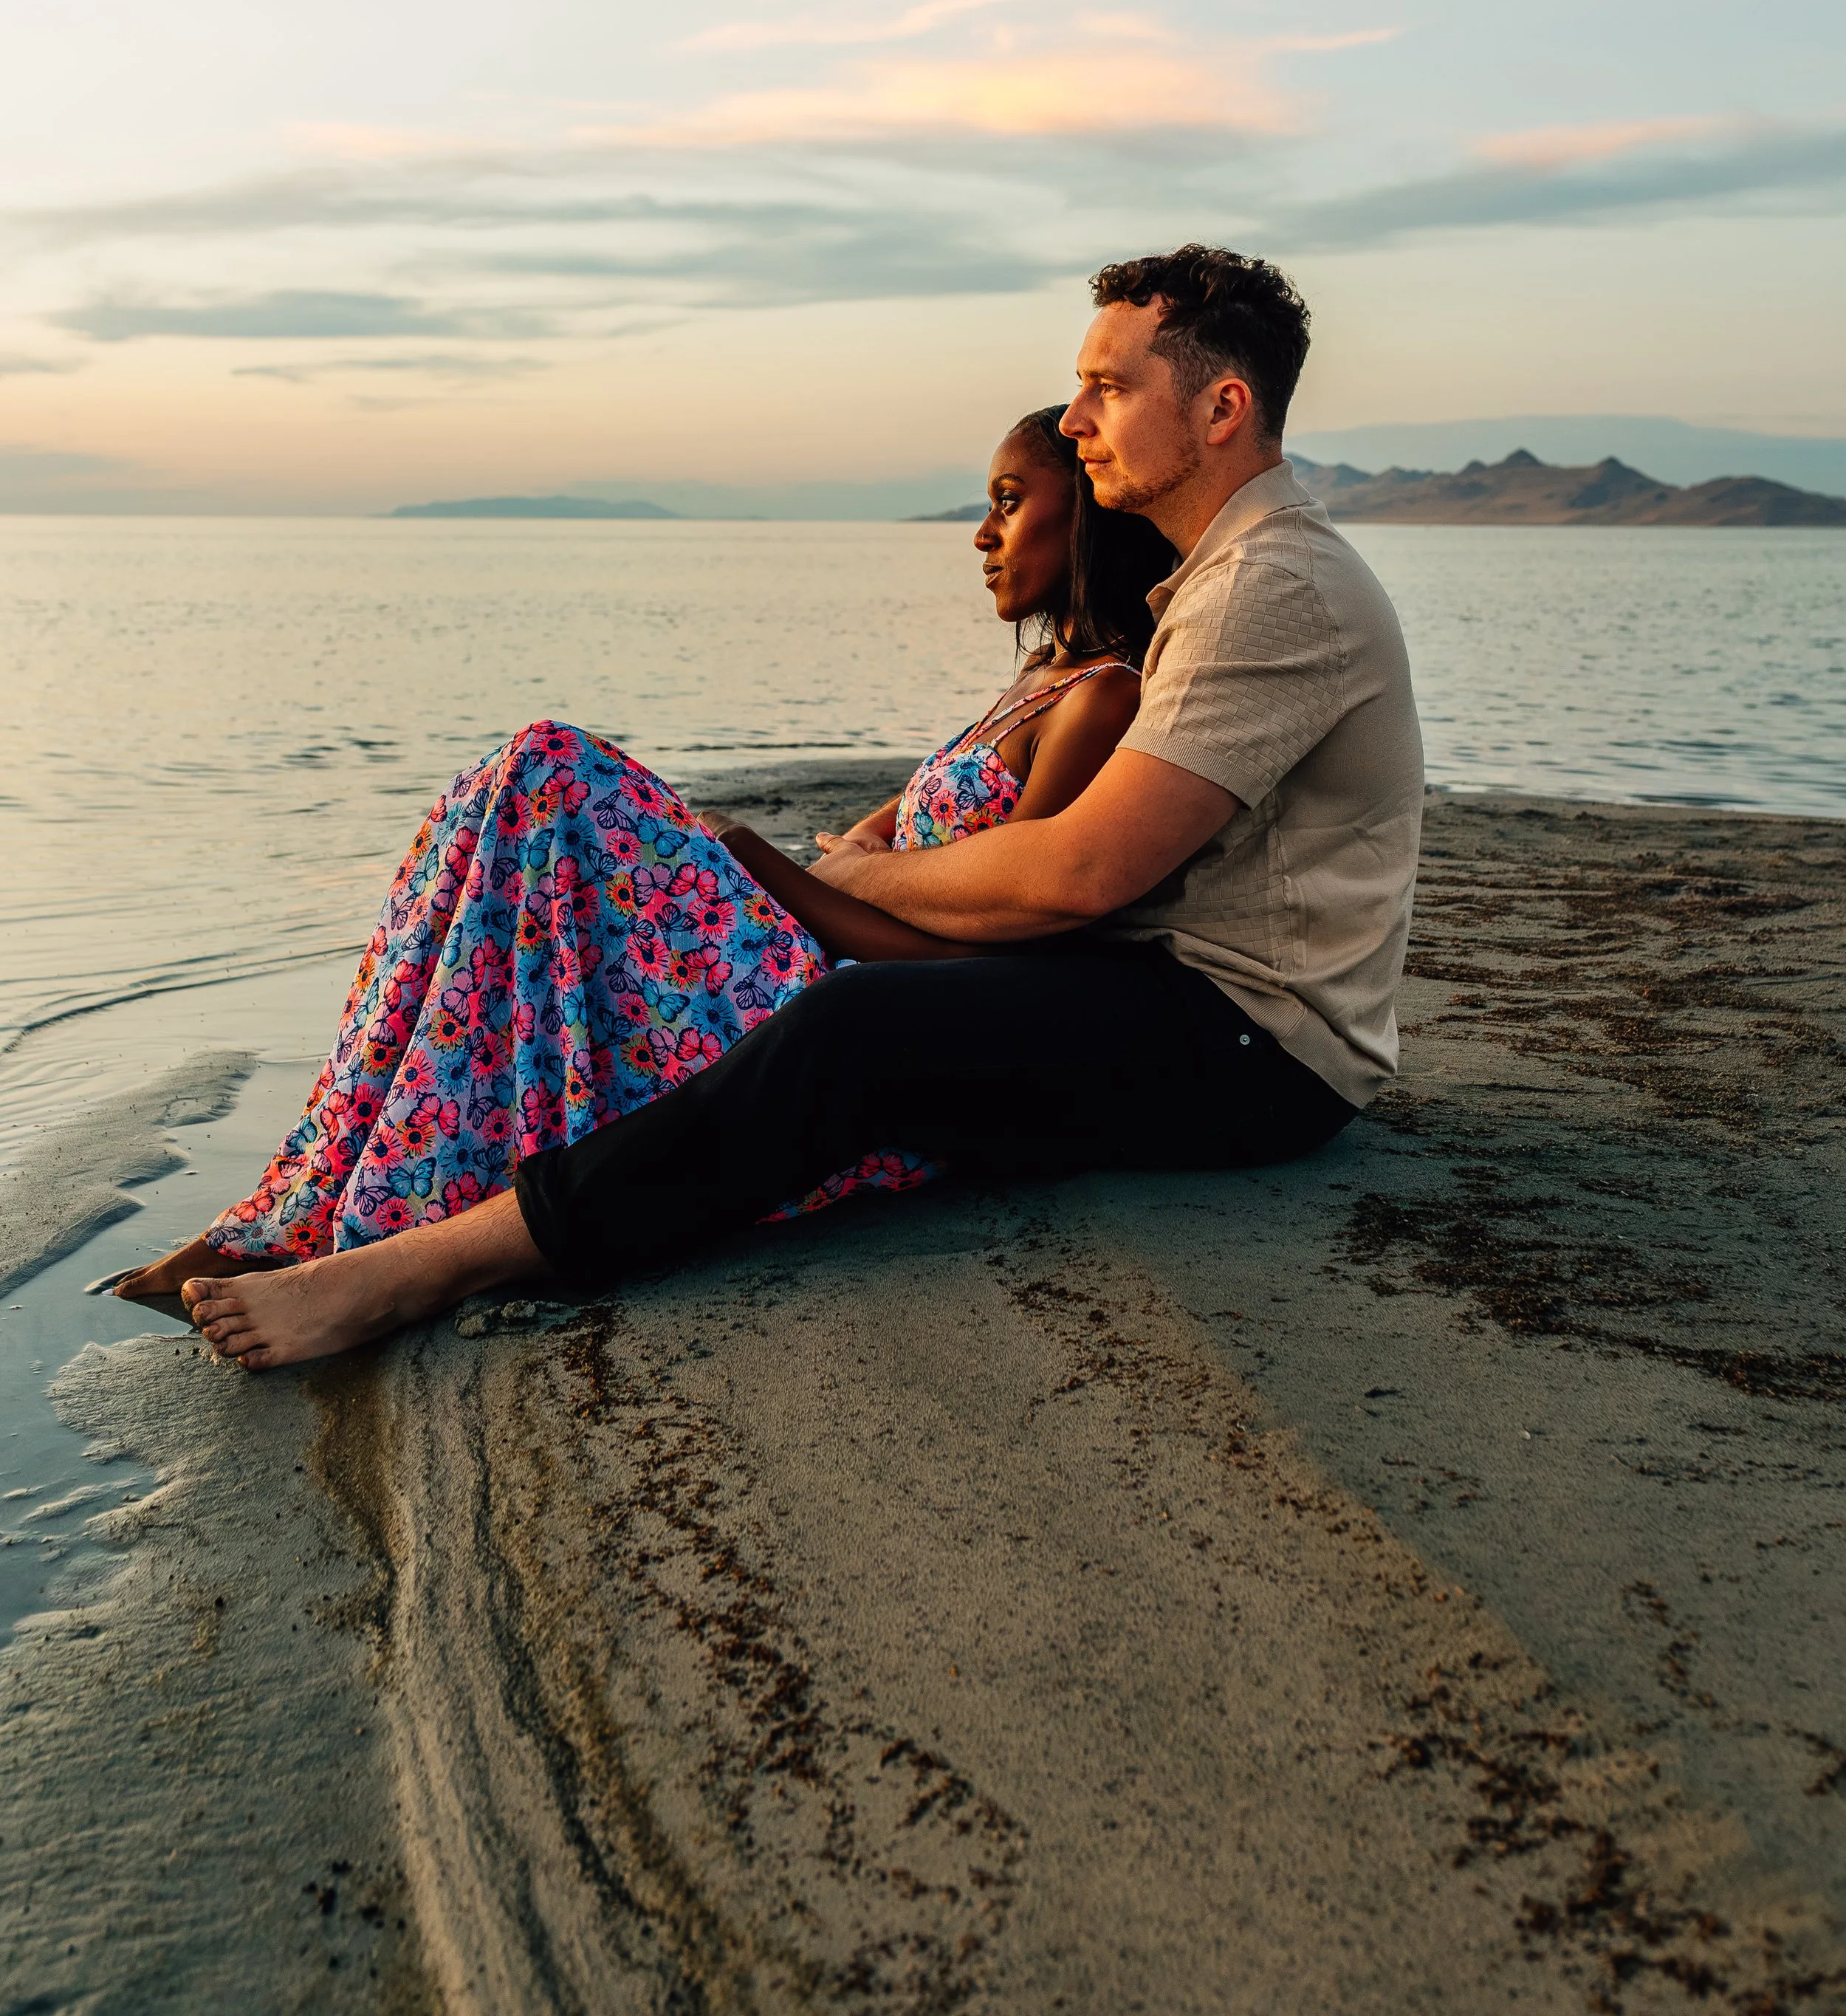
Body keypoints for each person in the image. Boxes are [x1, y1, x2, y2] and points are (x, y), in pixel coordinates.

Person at [179, 245, 1425, 1373]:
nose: (1075, 416)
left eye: (1109, 384)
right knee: (802, 982)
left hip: (1258, 1042)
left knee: (860, 1026)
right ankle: (345, 1186)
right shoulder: (1211, 586)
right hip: (1170, 986)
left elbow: (1078, 874)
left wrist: (851, 880)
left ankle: (430, 1260)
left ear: (1223, 406)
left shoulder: (1273, 584)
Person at [113, 403, 1173, 1311]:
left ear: (1084, 516)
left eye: (1008, 501)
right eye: (985, 505)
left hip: (858, 1020)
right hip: (821, 949)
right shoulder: (1037, 677)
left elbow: (1000, 960)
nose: (982, 534)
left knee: (553, 770)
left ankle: (365, 1206)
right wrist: (800, 866)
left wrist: (772, 871)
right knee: (511, 814)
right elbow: (879, 836)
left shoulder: (1102, 698)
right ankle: (314, 1191)